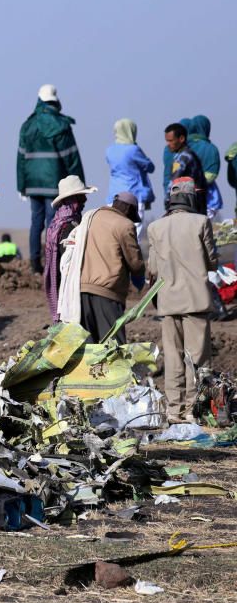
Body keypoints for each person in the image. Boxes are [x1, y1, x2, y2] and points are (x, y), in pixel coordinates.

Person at [146, 178, 217, 423]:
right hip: (196, 301)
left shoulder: (155, 227)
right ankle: (192, 410)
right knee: (196, 358)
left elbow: (152, 268)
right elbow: (212, 261)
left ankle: (173, 410)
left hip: (168, 302)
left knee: (173, 357)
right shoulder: (201, 222)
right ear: (191, 198)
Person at [16, 84, 85, 274]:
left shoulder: (27, 126)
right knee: (53, 222)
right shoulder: (61, 125)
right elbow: (72, 158)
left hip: (32, 183)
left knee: (35, 222)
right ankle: (52, 262)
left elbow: (21, 158)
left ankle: (34, 263)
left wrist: (21, 185)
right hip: (54, 181)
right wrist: (79, 184)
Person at [77, 192, 144, 344]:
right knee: (114, 345)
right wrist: (141, 276)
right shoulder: (124, 224)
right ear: (128, 209)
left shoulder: (90, 217)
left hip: (81, 290)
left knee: (88, 346)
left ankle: (90, 369)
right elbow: (135, 263)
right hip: (107, 292)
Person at [44, 175, 97, 322]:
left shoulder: (56, 224)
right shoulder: (68, 227)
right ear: (73, 200)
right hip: (70, 287)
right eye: (81, 197)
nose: (85, 201)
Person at [105, 118, 155, 236]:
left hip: (114, 195)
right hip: (133, 194)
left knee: (114, 231)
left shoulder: (109, 150)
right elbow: (150, 167)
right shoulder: (133, 150)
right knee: (134, 231)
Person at [164, 122, 208, 215]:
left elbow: (174, 180)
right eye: (167, 141)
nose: (168, 144)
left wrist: (168, 199)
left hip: (188, 204)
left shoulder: (184, 157)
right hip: (196, 204)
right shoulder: (187, 154)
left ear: (181, 139)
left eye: (171, 141)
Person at [187, 115, 223, 218]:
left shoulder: (183, 148)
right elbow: (212, 174)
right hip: (208, 197)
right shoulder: (211, 149)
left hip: (185, 196)